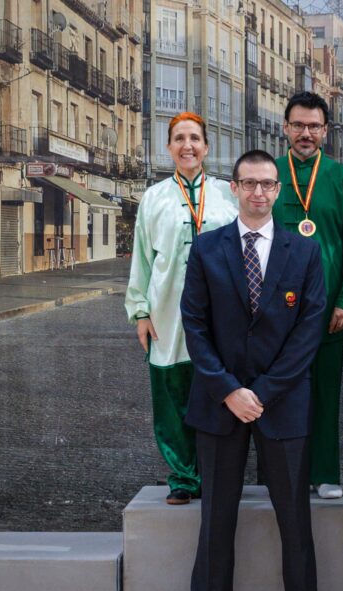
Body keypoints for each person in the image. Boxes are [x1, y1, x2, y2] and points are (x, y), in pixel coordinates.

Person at [169, 150, 329, 591]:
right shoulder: (207, 248)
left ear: (278, 191)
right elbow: (194, 325)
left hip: (282, 403)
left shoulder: (305, 251)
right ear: (234, 188)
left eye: (267, 184)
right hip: (220, 404)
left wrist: (264, 392)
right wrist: (228, 390)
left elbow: (310, 329)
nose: (259, 192)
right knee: (216, 518)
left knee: (295, 519)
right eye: (249, 183)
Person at [125, 112, 238, 505]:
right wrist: (140, 311)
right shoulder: (154, 197)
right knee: (172, 396)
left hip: (221, 313)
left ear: (206, 146)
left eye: (194, 138)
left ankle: (215, 473)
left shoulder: (227, 194)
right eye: (179, 138)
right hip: (167, 312)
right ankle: (184, 477)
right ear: (169, 146)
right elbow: (142, 257)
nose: (187, 145)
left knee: (218, 392)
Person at [274, 91, 343, 500]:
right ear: (285, 128)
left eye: (313, 126)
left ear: (326, 131)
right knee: (278, 394)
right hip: (276, 313)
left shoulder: (342, 179)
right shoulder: (270, 174)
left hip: (329, 310)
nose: (305, 134)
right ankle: (280, 475)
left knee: (326, 393)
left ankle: (325, 472)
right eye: (298, 125)